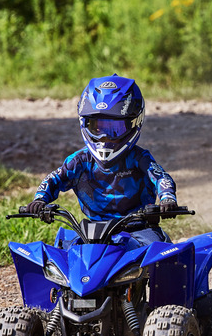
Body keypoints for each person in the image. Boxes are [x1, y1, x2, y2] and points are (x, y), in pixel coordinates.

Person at [21, 76, 176, 246]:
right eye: (98, 127)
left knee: (159, 252)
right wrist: (39, 200)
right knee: (62, 252)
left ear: (134, 123)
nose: (105, 136)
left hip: (139, 229)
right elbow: (54, 179)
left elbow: (162, 177)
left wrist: (167, 198)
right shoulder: (79, 161)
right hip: (92, 232)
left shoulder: (140, 158)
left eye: (115, 129)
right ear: (85, 123)